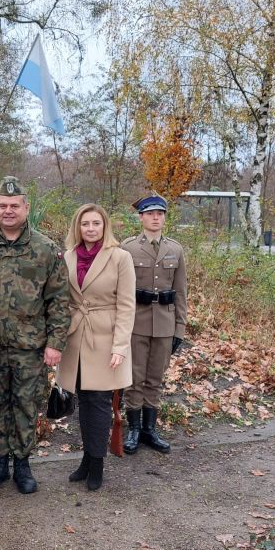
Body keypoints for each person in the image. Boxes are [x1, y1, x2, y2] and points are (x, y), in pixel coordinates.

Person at [0, 176, 70, 494]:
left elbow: (60, 301)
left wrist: (55, 343)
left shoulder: (45, 249)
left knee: (25, 405)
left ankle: (22, 464)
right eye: (3, 206)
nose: (8, 211)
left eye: (15, 206)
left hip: (30, 347)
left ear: (26, 208)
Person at [57, 204, 136, 490]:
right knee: (83, 402)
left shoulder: (120, 257)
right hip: (76, 338)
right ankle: (87, 459)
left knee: (100, 403)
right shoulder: (66, 257)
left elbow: (127, 306)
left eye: (96, 223)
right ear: (77, 227)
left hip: (105, 337)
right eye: (85, 223)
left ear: (105, 227)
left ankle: (98, 463)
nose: (90, 228)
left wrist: (120, 347)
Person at [121, 195, 188, 455]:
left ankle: (150, 429)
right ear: (141, 217)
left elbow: (181, 292)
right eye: (150, 213)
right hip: (136, 322)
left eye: (160, 213)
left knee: (155, 379)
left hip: (164, 323)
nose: (156, 217)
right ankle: (134, 429)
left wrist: (179, 329)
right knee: (135, 378)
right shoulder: (128, 248)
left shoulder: (176, 249)